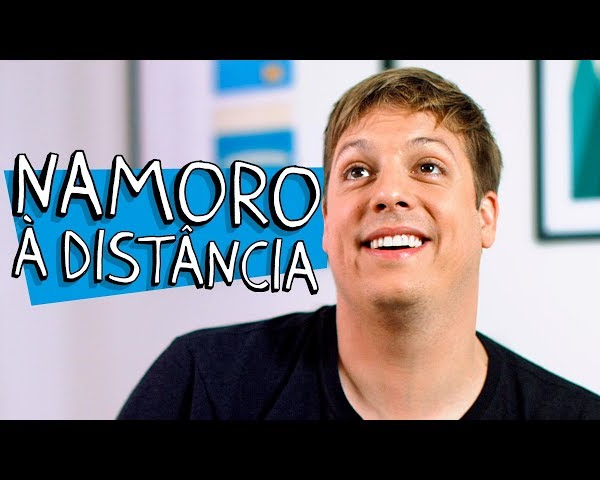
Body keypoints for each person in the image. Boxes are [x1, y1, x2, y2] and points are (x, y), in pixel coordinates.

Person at [117, 67, 600, 420]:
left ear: (485, 217)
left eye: (428, 167)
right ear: (327, 221)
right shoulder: (203, 386)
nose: (388, 193)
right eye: (358, 171)